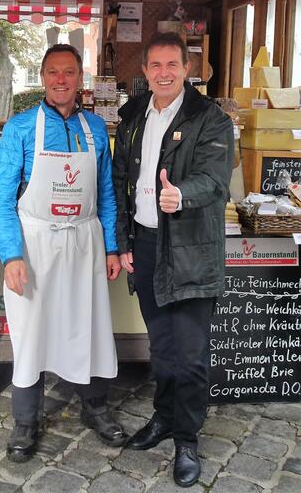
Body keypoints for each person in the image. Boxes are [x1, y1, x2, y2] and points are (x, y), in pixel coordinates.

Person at [0, 44, 127, 463]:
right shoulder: (19, 128)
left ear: (81, 79)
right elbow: (1, 198)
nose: (61, 80)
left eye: (69, 72)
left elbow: (106, 192)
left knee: (88, 323)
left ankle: (96, 408)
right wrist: (12, 255)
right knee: (31, 330)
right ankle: (26, 420)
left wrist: (111, 247)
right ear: (43, 77)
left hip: (84, 239)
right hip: (36, 242)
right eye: (53, 72)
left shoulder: (95, 129)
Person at [112, 32, 233, 488]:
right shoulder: (133, 116)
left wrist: (180, 194)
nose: (163, 72)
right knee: (160, 346)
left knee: (191, 354)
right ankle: (163, 418)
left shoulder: (210, 118)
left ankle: (187, 438)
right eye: (155, 65)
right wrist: (124, 241)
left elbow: (215, 180)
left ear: (187, 70)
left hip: (190, 248)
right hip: (144, 243)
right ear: (145, 71)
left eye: (172, 65)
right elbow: (122, 178)